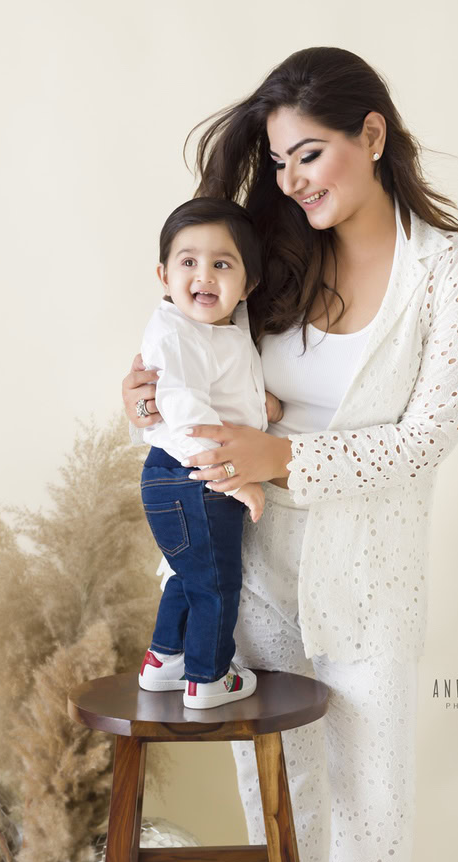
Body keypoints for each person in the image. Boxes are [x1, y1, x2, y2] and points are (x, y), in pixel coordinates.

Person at [124, 47, 458, 862]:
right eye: (279, 162)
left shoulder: (451, 275)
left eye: (310, 154)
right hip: (256, 560)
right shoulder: (276, 254)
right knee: (279, 781)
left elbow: (423, 440)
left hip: (370, 573)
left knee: (369, 791)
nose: (292, 181)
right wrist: (149, 403)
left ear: (371, 135)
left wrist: (282, 454)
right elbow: (208, 364)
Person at [136, 197, 284, 709]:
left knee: (189, 572)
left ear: (248, 285)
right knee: (217, 582)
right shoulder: (172, 330)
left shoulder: (223, 330)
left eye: (222, 264)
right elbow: (181, 406)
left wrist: (264, 406)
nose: (204, 275)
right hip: (190, 473)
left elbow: (225, 388)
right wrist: (233, 477)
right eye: (188, 262)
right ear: (163, 274)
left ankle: (165, 658)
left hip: (187, 476)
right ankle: (207, 677)